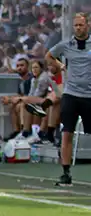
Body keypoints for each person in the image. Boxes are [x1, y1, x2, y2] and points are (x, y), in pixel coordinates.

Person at [38, 13, 91, 186]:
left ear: (87, 26)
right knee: (67, 132)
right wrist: (59, 65)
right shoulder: (67, 45)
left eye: (81, 25)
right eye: (75, 25)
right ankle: (66, 172)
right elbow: (48, 56)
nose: (78, 28)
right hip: (71, 93)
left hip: (89, 95)